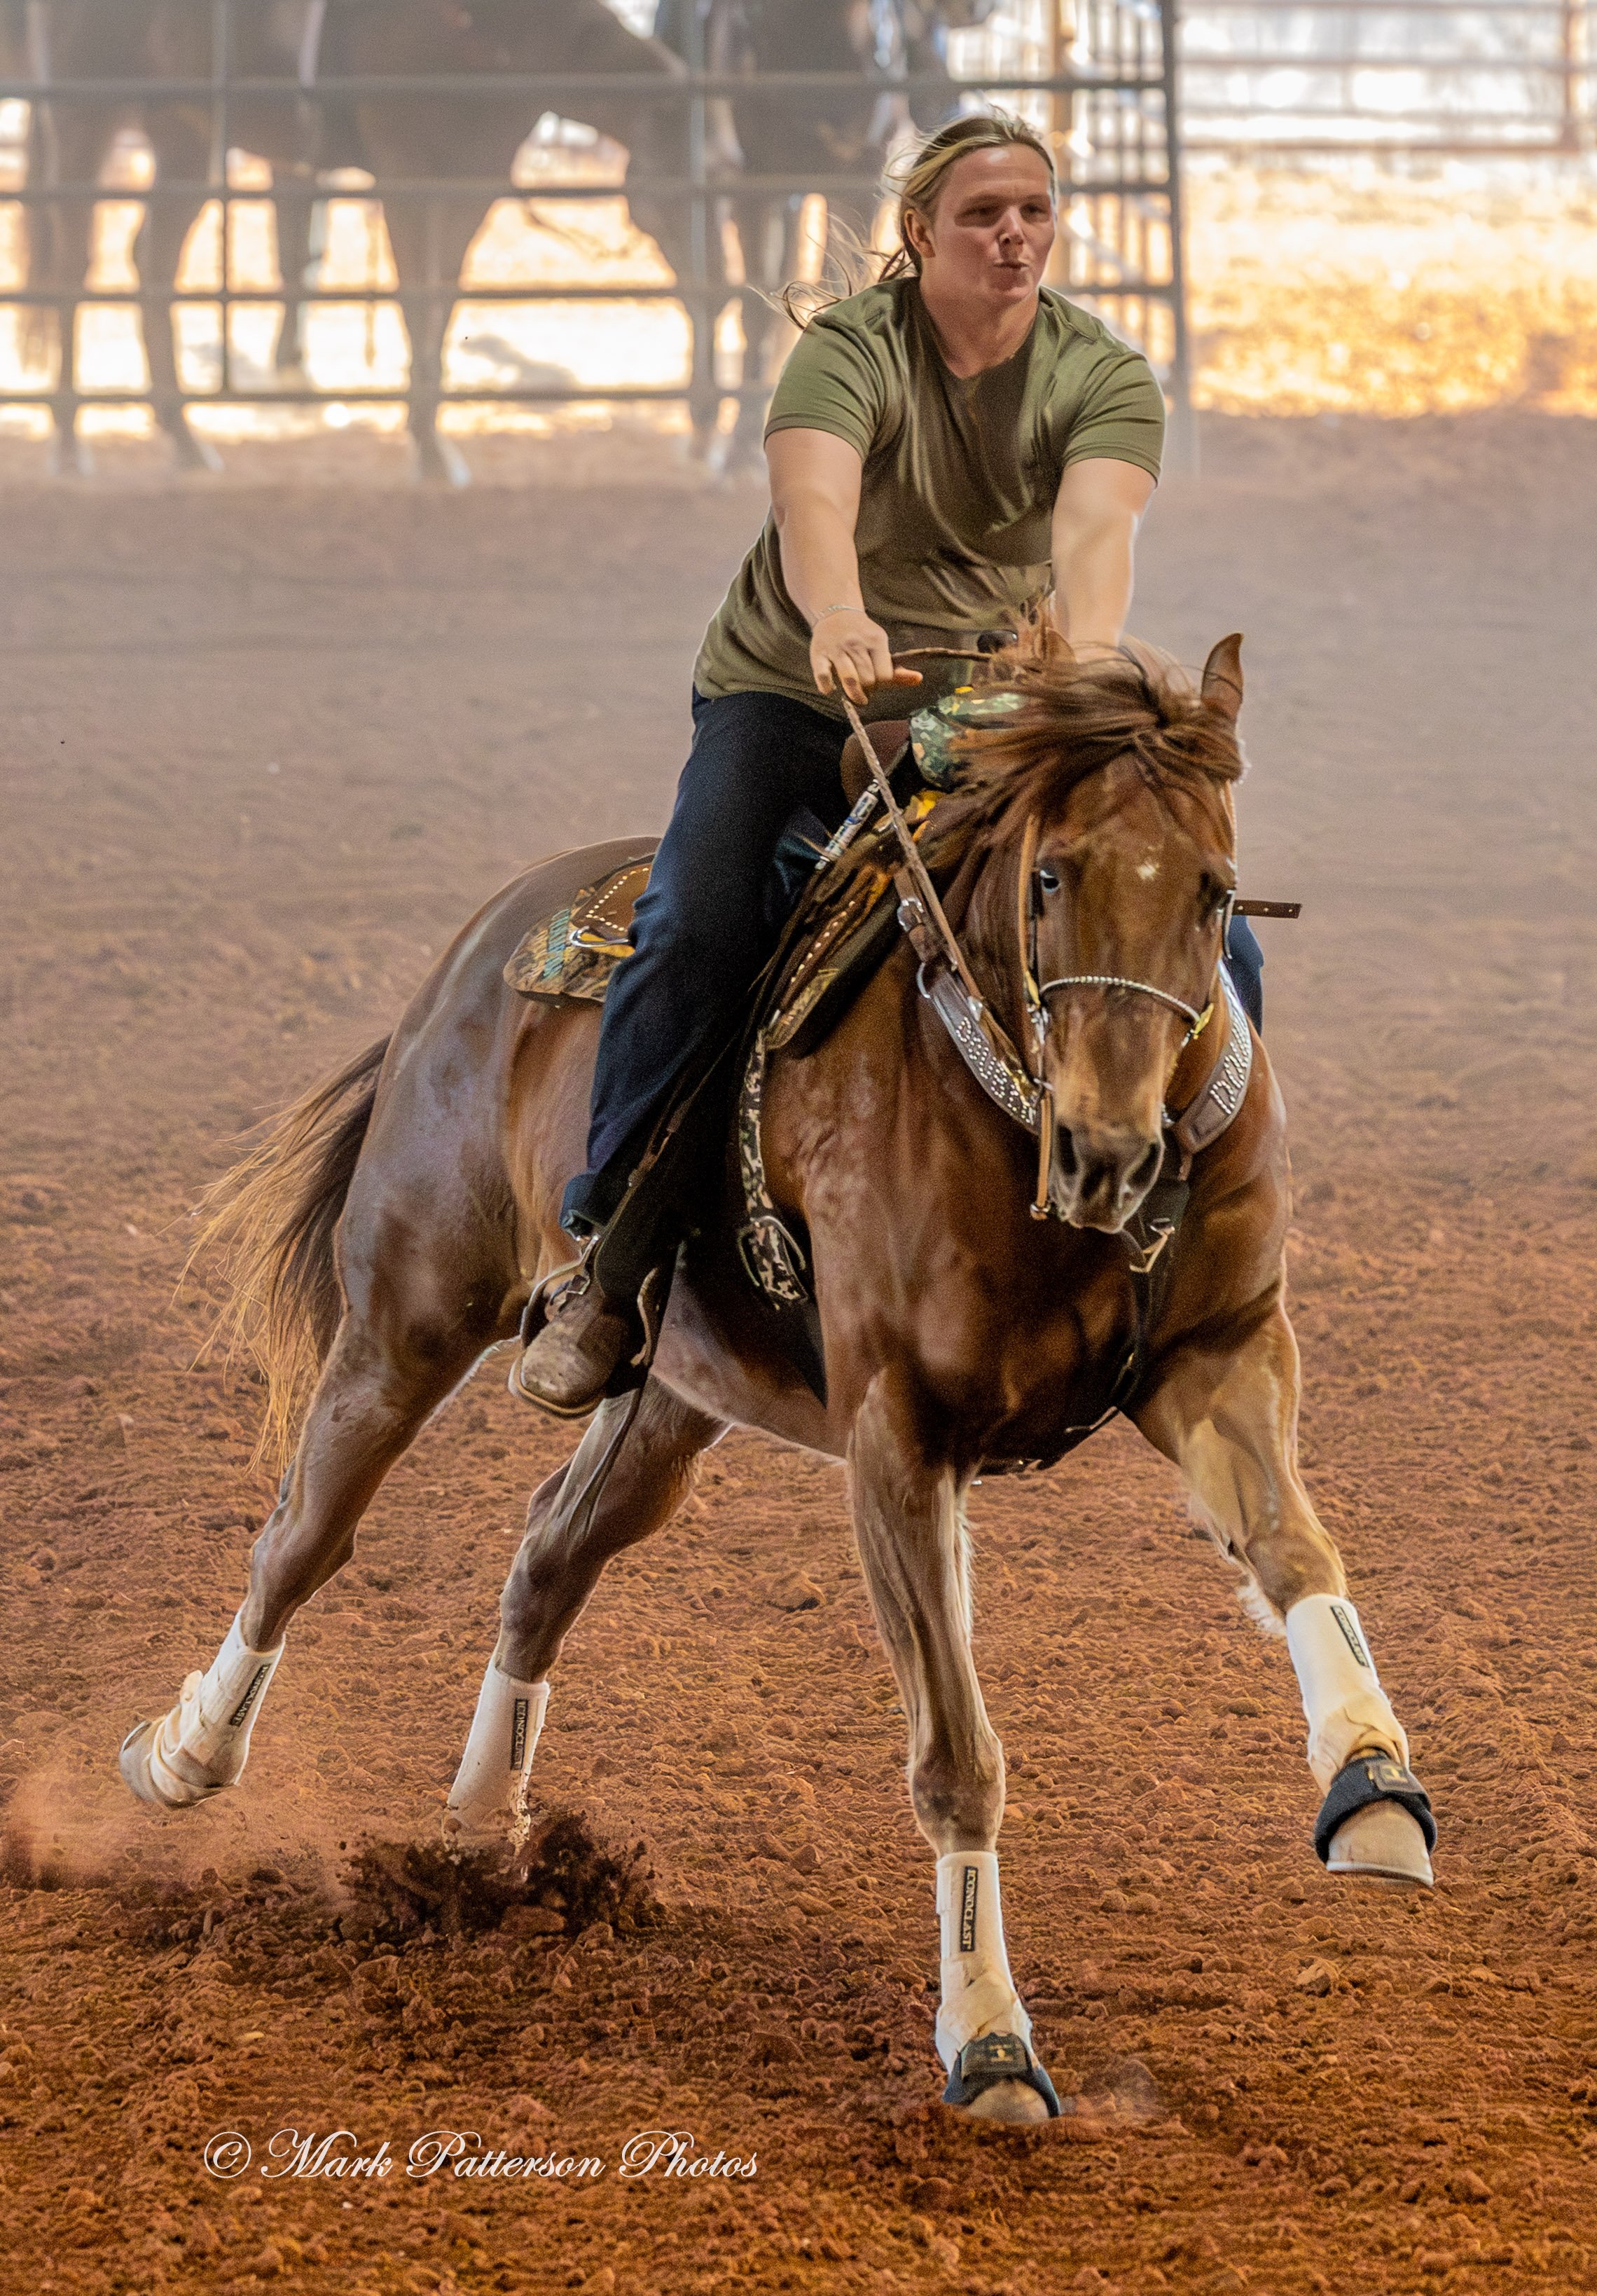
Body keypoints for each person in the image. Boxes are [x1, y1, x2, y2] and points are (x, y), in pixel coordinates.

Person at [516, 109, 1257, 1415]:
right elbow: (814, 502)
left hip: (995, 703)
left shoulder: (1102, 373)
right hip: (798, 687)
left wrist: (1074, 672)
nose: (1015, 233)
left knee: (1204, 936)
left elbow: (1096, 535)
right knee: (697, 917)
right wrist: (842, 613)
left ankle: (1192, 1223)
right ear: (919, 235)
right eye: (982, 214)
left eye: (1034, 210)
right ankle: (611, 1250)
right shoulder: (849, 352)